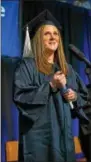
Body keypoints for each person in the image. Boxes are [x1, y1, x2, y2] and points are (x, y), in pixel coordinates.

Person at [13, 9, 89, 162]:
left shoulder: (68, 69)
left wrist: (74, 97)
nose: (53, 37)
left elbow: (83, 98)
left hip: (64, 140)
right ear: (38, 39)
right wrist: (51, 85)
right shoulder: (27, 66)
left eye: (55, 33)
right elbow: (20, 97)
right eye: (47, 33)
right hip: (39, 144)